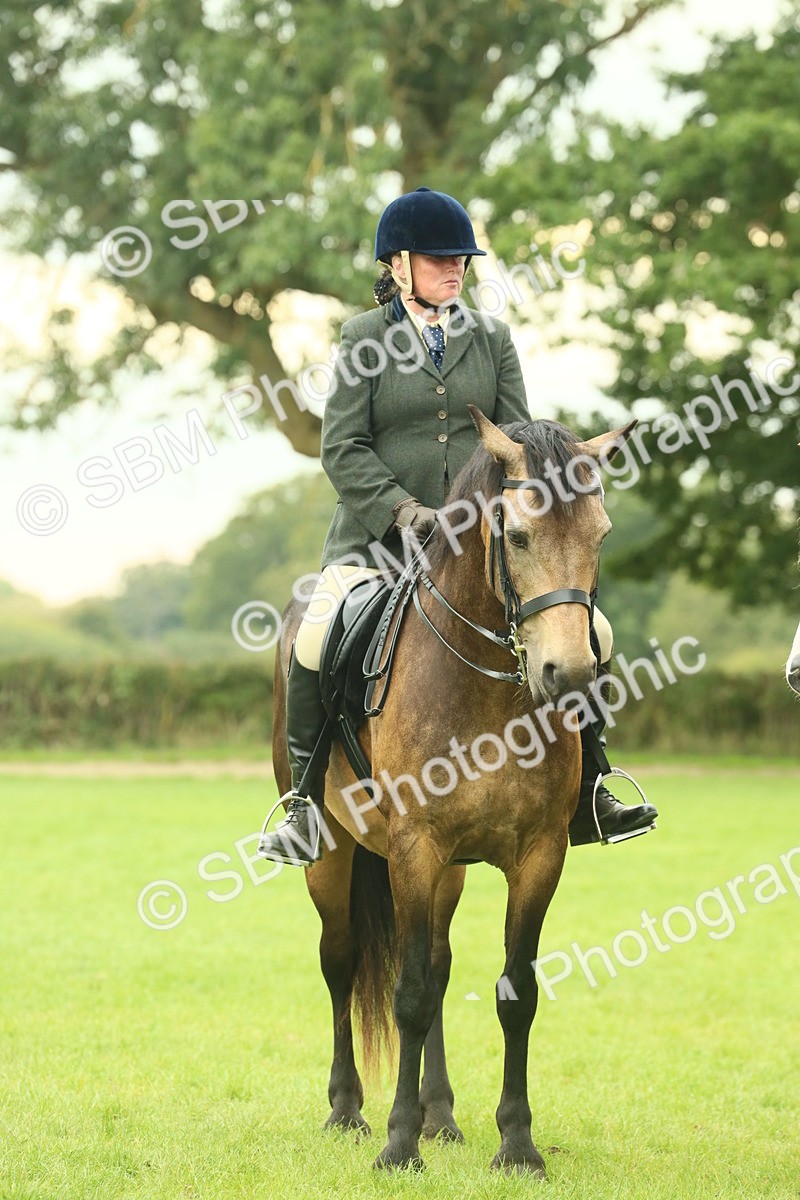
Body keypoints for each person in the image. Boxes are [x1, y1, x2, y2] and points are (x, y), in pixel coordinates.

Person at [258, 186, 657, 866]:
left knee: (595, 630)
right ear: (399, 264)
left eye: (462, 261)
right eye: (440, 260)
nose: (455, 271)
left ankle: (591, 785)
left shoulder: (492, 338)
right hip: (378, 541)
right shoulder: (361, 339)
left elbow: (519, 442)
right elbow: (342, 448)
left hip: (481, 546)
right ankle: (302, 804)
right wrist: (399, 509)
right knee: (314, 636)